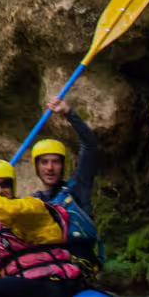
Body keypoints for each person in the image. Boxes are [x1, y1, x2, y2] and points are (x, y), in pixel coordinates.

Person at [0, 159, 87, 297]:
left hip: (52, 287)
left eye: (5, 184)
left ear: (13, 186)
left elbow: (9, 211)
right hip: (20, 291)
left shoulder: (32, 208)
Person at [30, 96, 102, 262]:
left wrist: (69, 114)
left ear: (63, 166)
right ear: (37, 167)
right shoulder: (33, 202)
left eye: (55, 162)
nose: (50, 168)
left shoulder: (77, 188)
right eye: (44, 162)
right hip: (48, 267)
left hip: (78, 264)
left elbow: (90, 146)